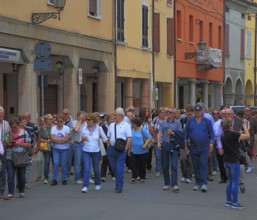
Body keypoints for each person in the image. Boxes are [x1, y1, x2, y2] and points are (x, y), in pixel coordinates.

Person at [184, 104, 214, 192]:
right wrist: (185, 145)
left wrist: (211, 144)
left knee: (203, 164)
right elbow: (185, 134)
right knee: (196, 165)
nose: (197, 112)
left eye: (199, 111)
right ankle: (197, 183)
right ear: (194, 112)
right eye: (196, 111)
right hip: (193, 146)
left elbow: (211, 134)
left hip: (204, 146)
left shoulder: (207, 121)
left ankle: (204, 183)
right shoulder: (190, 121)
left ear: (202, 111)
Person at [221, 118, 250, 209]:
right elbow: (247, 136)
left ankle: (228, 201)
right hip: (234, 160)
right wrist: (245, 127)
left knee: (229, 181)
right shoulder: (234, 134)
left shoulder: (223, 135)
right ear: (230, 125)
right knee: (235, 182)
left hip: (226, 160)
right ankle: (235, 202)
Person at [4, 117, 31, 199]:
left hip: (21, 156)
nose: (13, 128)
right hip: (10, 156)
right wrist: (7, 144)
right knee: (10, 175)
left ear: (18, 125)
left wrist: (19, 144)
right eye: (11, 126)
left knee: (21, 176)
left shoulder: (24, 133)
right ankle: (11, 193)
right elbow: (4, 145)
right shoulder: (7, 134)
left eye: (14, 126)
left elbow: (29, 145)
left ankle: (21, 190)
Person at [80, 113, 108, 193]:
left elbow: (105, 139)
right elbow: (79, 141)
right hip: (86, 151)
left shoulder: (99, 128)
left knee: (96, 168)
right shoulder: (83, 128)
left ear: (93, 121)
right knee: (87, 168)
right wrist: (82, 140)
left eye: (89, 120)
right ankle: (85, 186)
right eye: (86, 120)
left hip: (96, 151)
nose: (87, 121)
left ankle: (97, 183)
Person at [157, 107, 182, 192]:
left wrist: (173, 133)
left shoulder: (178, 123)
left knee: (174, 165)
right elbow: (159, 133)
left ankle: (174, 184)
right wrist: (158, 142)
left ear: (174, 114)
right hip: (165, 144)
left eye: (170, 112)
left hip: (174, 145)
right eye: (167, 112)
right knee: (165, 165)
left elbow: (180, 134)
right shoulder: (163, 122)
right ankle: (167, 184)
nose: (168, 113)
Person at [107, 107, 132, 193]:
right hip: (111, 149)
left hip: (121, 150)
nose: (114, 116)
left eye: (116, 115)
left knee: (119, 168)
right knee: (113, 168)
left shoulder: (126, 126)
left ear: (121, 116)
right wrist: (108, 146)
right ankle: (120, 178)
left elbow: (129, 138)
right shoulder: (111, 125)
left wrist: (126, 148)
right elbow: (108, 137)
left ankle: (119, 186)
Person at [128, 117, 152, 183]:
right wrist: (129, 149)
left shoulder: (142, 130)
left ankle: (142, 177)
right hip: (133, 150)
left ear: (136, 124)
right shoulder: (131, 130)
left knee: (142, 164)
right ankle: (134, 177)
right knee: (133, 164)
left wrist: (145, 144)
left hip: (142, 150)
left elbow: (150, 137)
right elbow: (130, 140)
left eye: (132, 123)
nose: (131, 124)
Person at [50, 114, 70, 186]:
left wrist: (57, 139)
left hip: (64, 149)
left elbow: (67, 139)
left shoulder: (67, 128)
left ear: (63, 121)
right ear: (56, 121)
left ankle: (64, 178)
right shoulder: (53, 128)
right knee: (56, 163)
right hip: (56, 148)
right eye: (58, 121)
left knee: (63, 164)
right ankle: (55, 179)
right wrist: (62, 139)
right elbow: (52, 138)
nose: (59, 123)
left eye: (61, 121)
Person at [22, 112, 39, 189]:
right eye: (24, 117)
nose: (25, 119)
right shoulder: (20, 126)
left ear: (29, 118)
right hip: (21, 148)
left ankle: (26, 182)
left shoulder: (33, 126)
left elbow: (38, 136)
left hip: (29, 148)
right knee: (20, 165)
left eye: (26, 117)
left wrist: (37, 146)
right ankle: (21, 182)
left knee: (27, 166)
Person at [36, 114, 53, 184]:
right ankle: (46, 177)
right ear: (45, 120)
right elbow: (39, 138)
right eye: (49, 119)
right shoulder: (41, 128)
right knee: (46, 162)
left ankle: (54, 176)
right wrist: (38, 147)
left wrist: (51, 140)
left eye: (51, 119)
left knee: (53, 162)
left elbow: (54, 136)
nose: (50, 121)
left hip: (52, 146)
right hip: (44, 147)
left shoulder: (54, 128)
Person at [180, 104, 194, 184]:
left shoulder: (195, 120)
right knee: (182, 159)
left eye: (191, 111)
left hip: (192, 142)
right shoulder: (183, 120)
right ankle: (183, 175)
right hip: (183, 142)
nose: (190, 113)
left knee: (189, 160)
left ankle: (189, 176)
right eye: (188, 111)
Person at [72, 111, 87, 184]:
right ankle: (77, 178)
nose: (84, 118)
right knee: (77, 162)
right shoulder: (74, 122)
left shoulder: (86, 123)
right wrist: (80, 121)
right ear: (78, 117)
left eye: (85, 117)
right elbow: (76, 130)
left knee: (84, 162)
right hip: (77, 144)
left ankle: (83, 177)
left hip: (85, 144)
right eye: (82, 116)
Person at [151, 108, 166, 177]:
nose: (163, 114)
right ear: (159, 113)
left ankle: (163, 169)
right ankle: (158, 170)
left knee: (164, 156)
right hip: (156, 140)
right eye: (161, 112)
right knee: (158, 156)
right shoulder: (155, 120)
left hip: (165, 141)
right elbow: (151, 129)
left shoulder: (166, 120)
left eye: (164, 112)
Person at [101, 113, 115, 182]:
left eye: (113, 119)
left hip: (113, 145)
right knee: (105, 160)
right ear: (107, 120)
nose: (113, 120)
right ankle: (103, 176)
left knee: (112, 160)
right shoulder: (103, 127)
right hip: (105, 145)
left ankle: (113, 175)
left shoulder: (115, 126)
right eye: (111, 119)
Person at [0, 106, 10, 198]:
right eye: (0, 113)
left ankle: (1, 190)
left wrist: (6, 141)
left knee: (3, 169)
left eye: (2, 113)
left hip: (3, 148)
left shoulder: (6, 124)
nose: (1, 115)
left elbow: (8, 135)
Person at [139, 107, 153, 173]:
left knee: (148, 154)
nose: (147, 113)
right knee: (142, 155)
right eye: (146, 111)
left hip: (148, 139)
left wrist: (150, 123)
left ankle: (148, 166)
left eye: (148, 111)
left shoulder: (149, 121)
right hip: (140, 139)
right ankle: (142, 168)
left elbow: (151, 131)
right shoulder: (139, 120)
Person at [243, 106, 257, 171]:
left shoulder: (254, 119)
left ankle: (249, 165)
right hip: (243, 136)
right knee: (243, 150)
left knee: (250, 151)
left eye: (249, 110)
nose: (248, 112)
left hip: (251, 136)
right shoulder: (242, 118)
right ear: (244, 111)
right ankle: (245, 164)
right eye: (246, 110)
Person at [62, 108, 74, 178]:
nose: (64, 115)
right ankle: (64, 174)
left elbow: (72, 133)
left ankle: (67, 173)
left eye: (66, 114)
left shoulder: (72, 122)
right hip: (61, 143)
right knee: (63, 159)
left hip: (69, 142)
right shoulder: (60, 121)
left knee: (68, 159)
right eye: (63, 114)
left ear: (69, 114)